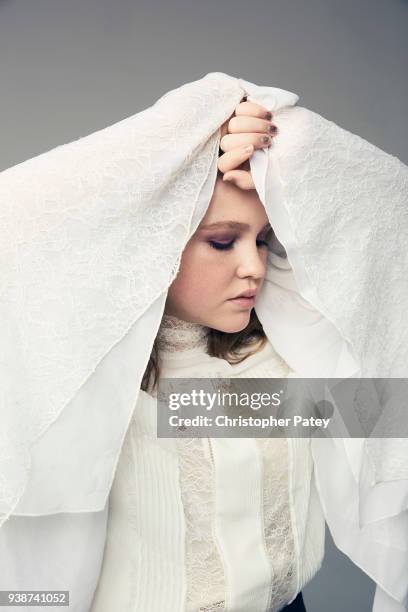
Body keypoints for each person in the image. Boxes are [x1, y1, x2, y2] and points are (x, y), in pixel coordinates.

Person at [1, 72, 407, 612]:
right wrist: (184, 130)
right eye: (222, 241)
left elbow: (390, 411)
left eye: (263, 239)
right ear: (157, 241)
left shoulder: (291, 355)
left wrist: (295, 147)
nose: (253, 266)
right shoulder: (92, 387)